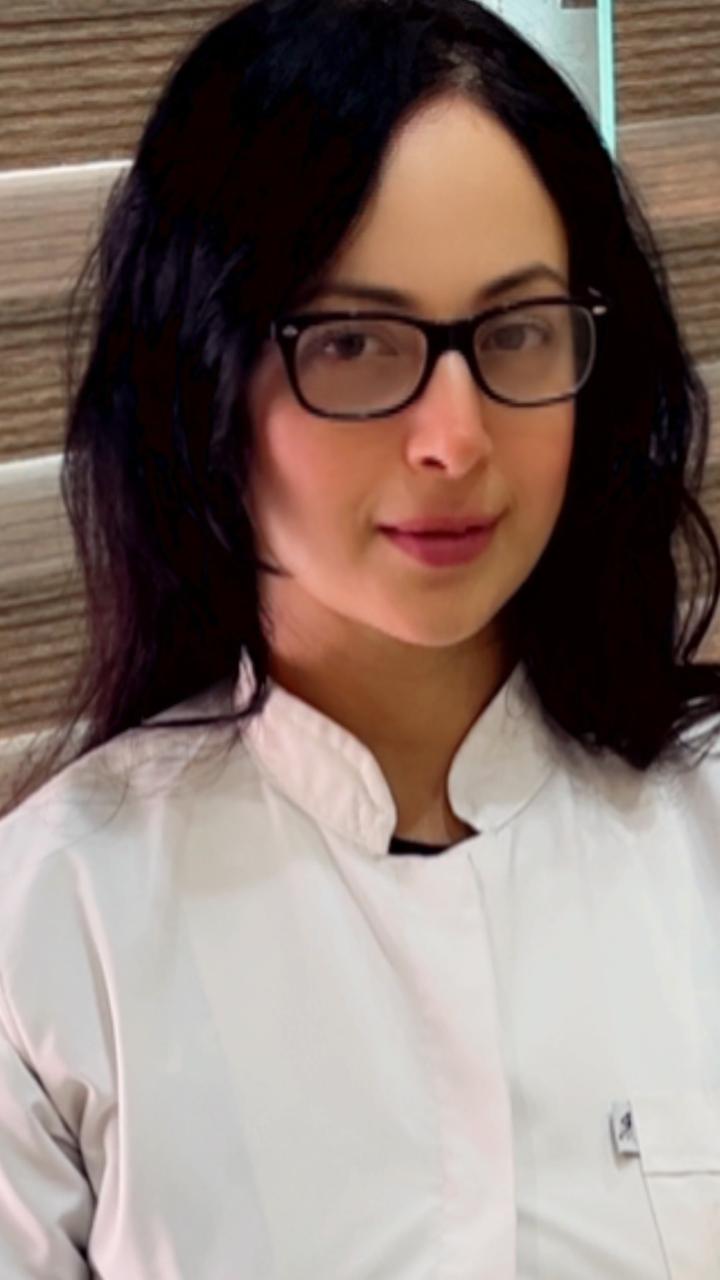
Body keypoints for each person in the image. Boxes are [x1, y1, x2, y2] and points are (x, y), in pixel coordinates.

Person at [1, 0, 719, 1275]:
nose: (454, 438)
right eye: (350, 341)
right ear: (202, 377)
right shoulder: (52, 926)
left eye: (515, 331)